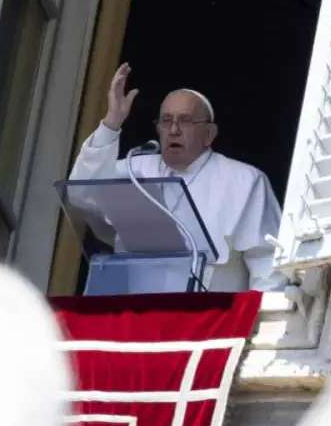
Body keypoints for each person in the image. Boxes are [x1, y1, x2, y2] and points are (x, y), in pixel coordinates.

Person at [70, 62, 283, 291]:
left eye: (185, 121)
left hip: (211, 319)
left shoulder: (244, 180)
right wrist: (112, 122)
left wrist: (262, 322)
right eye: (166, 120)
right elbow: (81, 192)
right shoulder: (135, 169)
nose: (173, 130)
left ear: (209, 134)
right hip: (138, 313)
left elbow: (267, 263)